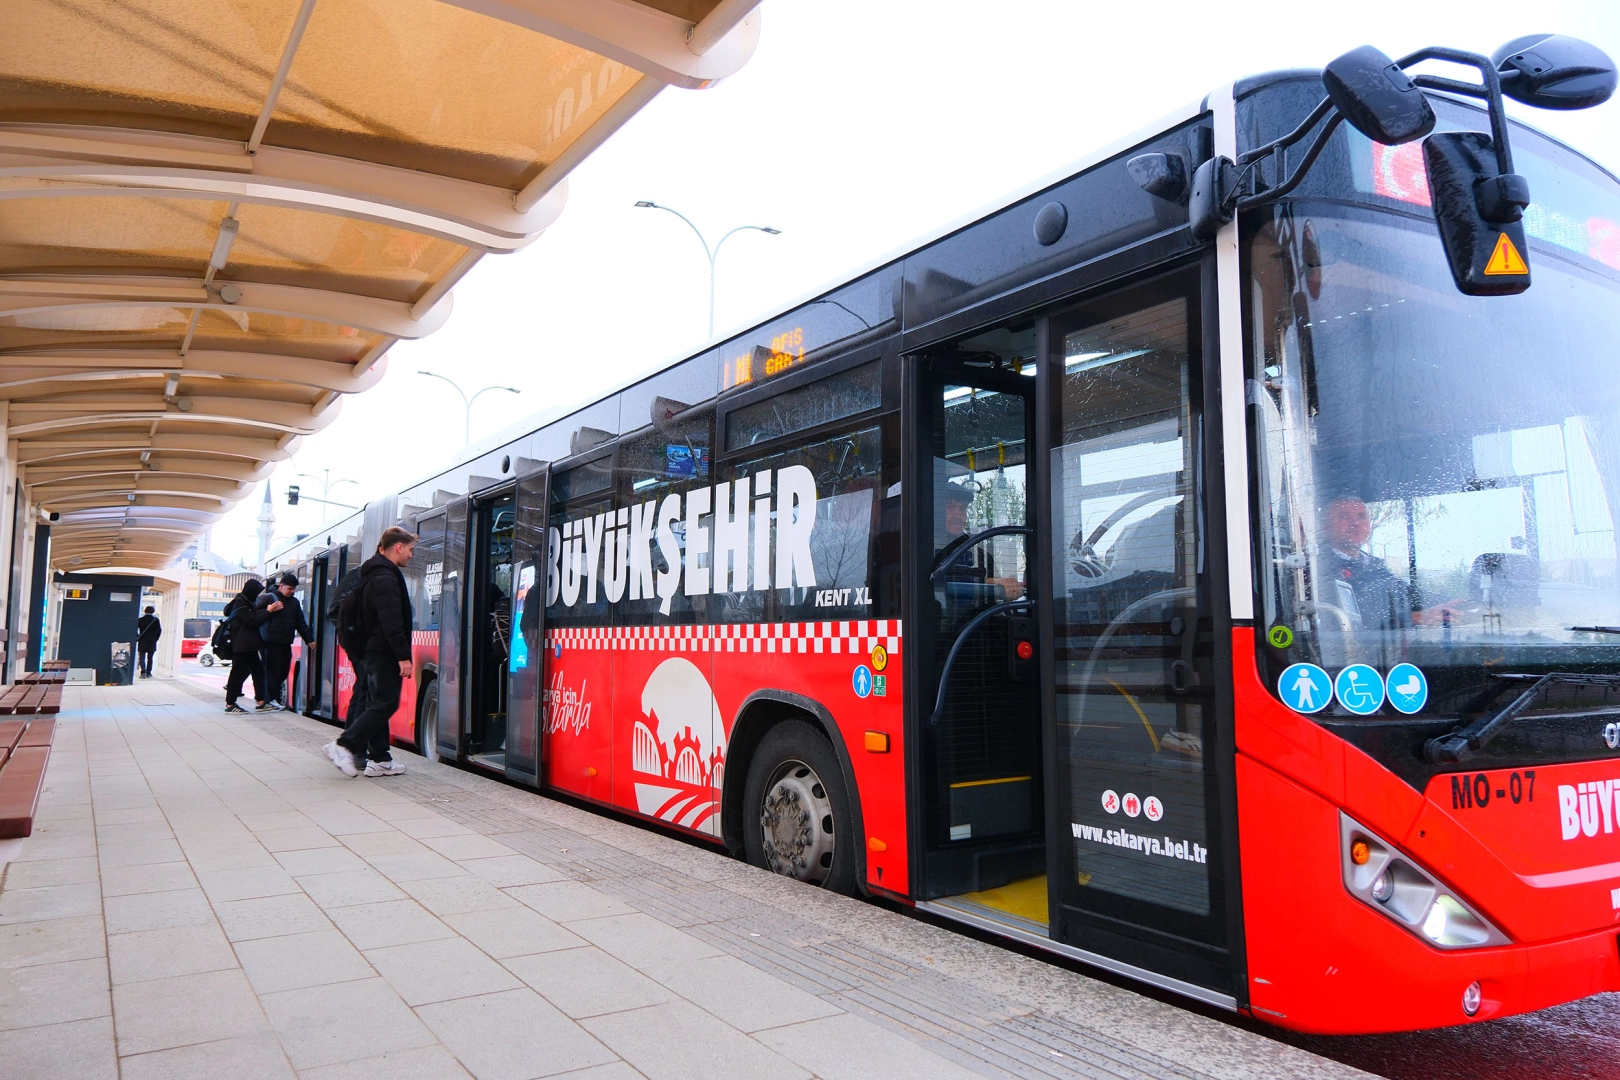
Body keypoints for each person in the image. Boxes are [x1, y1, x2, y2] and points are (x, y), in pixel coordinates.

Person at [326, 527, 415, 778]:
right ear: (398, 547)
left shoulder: (372, 574)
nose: (411, 555)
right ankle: (345, 746)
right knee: (382, 702)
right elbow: (391, 620)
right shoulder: (385, 578)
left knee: (377, 702)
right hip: (379, 652)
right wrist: (402, 656)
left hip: (372, 650)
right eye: (410, 550)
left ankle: (379, 759)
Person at [1319, 496, 1456, 629]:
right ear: (1324, 528)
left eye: (1361, 517)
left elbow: (1411, 595)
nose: (1355, 523)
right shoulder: (1317, 568)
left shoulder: (1374, 565)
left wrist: (1456, 604)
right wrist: (1413, 618)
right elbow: (1347, 620)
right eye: (1344, 516)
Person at [257, 572, 313, 709]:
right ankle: (269, 699)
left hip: (285, 641)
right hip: (269, 641)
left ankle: (271, 698)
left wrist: (309, 639)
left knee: (283, 670)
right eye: (289, 589)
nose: (292, 591)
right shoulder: (268, 598)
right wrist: (270, 610)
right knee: (272, 671)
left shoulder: (294, 602)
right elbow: (255, 616)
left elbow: (300, 622)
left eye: (294, 589)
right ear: (281, 586)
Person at [222, 579, 273, 713]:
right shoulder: (241, 603)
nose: (257, 596)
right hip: (242, 644)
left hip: (248, 644)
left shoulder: (244, 601)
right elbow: (253, 621)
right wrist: (269, 611)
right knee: (237, 674)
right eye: (256, 593)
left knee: (258, 671)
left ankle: (261, 701)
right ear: (250, 591)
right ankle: (230, 704)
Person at [135, 605, 161, 678]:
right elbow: (159, 631)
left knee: (141, 658)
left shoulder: (140, 620)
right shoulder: (155, 620)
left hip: (142, 640)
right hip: (152, 642)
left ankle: (143, 672)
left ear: (145, 611)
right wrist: (156, 638)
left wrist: (137, 637)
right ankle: (149, 673)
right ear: (153, 612)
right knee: (150, 658)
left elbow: (135, 629)